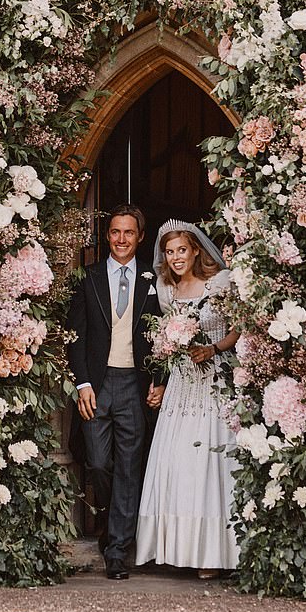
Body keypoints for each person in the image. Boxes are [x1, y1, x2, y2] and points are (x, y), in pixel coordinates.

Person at [135, 219, 240, 578]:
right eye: (169, 252)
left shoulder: (219, 283)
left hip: (214, 381)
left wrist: (212, 347)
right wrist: (161, 379)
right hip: (181, 385)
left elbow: (238, 328)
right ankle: (177, 548)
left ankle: (212, 554)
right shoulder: (166, 290)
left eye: (182, 250)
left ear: (196, 250)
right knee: (178, 462)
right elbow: (166, 345)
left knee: (210, 465)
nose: (176, 257)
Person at [67, 204, 163, 580]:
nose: (121, 239)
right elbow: (75, 336)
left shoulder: (153, 280)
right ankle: (110, 521)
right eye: (115, 232)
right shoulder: (87, 278)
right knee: (98, 463)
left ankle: (118, 551)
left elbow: (163, 338)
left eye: (128, 233)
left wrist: (158, 379)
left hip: (134, 385)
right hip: (97, 383)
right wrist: (83, 383)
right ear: (107, 236)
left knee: (128, 468)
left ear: (140, 237)